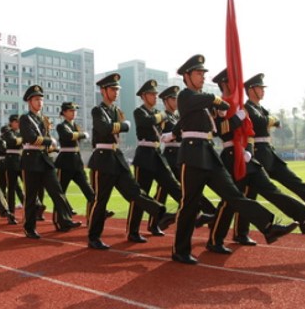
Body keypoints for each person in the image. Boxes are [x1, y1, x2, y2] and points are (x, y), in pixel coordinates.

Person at [172, 55, 298, 265]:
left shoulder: (202, 99)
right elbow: (196, 107)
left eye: (203, 74)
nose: (202, 77)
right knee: (189, 204)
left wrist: (224, 111)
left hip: (209, 153)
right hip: (192, 154)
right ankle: (180, 250)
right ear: (186, 76)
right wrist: (217, 101)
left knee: (233, 194)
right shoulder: (185, 96)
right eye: (198, 73)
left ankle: (268, 226)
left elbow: (190, 120)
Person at [206, 69, 305, 254]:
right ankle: (215, 239)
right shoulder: (219, 105)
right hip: (231, 155)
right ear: (225, 84)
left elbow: (250, 133)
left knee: (271, 190)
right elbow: (220, 131)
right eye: (233, 81)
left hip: (247, 156)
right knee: (230, 202)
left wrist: (248, 152)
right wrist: (235, 119)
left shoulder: (240, 105)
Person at [232, 73, 305, 244]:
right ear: (251, 90)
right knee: (254, 193)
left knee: (294, 181)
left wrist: (269, 120)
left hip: (268, 152)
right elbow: (259, 123)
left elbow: (271, 121)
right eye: (259, 88)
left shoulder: (259, 108)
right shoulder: (247, 108)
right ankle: (242, 232)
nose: (262, 91)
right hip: (256, 152)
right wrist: (270, 120)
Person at [88, 73, 176, 250]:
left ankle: (160, 212)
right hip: (102, 159)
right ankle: (93, 237)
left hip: (116, 158)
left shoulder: (115, 111)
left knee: (135, 192)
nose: (116, 92)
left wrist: (121, 125)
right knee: (101, 200)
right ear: (103, 91)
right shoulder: (98, 110)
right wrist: (124, 125)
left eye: (117, 89)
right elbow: (104, 129)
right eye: (113, 89)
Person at [147, 85, 216, 236]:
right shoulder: (163, 116)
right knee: (169, 188)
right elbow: (158, 132)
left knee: (177, 188)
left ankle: (209, 213)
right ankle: (156, 221)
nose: (176, 101)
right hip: (171, 153)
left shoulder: (179, 116)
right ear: (165, 101)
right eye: (173, 99)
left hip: (182, 151)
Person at [127, 79, 188, 243]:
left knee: (173, 186)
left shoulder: (159, 114)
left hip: (157, 154)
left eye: (155, 94)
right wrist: (161, 116)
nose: (154, 97)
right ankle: (132, 230)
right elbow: (147, 122)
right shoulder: (139, 111)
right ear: (143, 96)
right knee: (142, 195)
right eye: (152, 94)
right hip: (144, 155)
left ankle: (192, 212)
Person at [20, 85, 81, 239]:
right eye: (36, 99)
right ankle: (29, 227)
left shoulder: (43, 119)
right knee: (32, 197)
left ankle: (65, 220)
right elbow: (31, 138)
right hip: (31, 159)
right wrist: (50, 140)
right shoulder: (25, 118)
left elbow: (42, 141)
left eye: (41, 99)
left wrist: (52, 147)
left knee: (57, 191)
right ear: (29, 102)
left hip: (45, 159)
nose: (39, 102)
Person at [55, 102, 115, 221]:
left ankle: (100, 212)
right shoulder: (61, 126)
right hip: (65, 162)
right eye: (71, 110)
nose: (74, 113)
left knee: (88, 189)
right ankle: (62, 220)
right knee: (60, 192)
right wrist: (83, 134)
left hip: (76, 162)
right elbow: (68, 136)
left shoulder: (75, 126)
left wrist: (81, 134)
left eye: (75, 110)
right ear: (64, 112)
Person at [1, 114, 26, 216]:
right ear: (11, 122)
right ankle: (11, 212)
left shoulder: (20, 133)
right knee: (11, 188)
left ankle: (31, 208)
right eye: (16, 122)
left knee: (27, 185)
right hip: (11, 161)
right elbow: (12, 141)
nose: (18, 124)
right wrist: (23, 139)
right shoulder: (7, 132)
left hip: (21, 161)